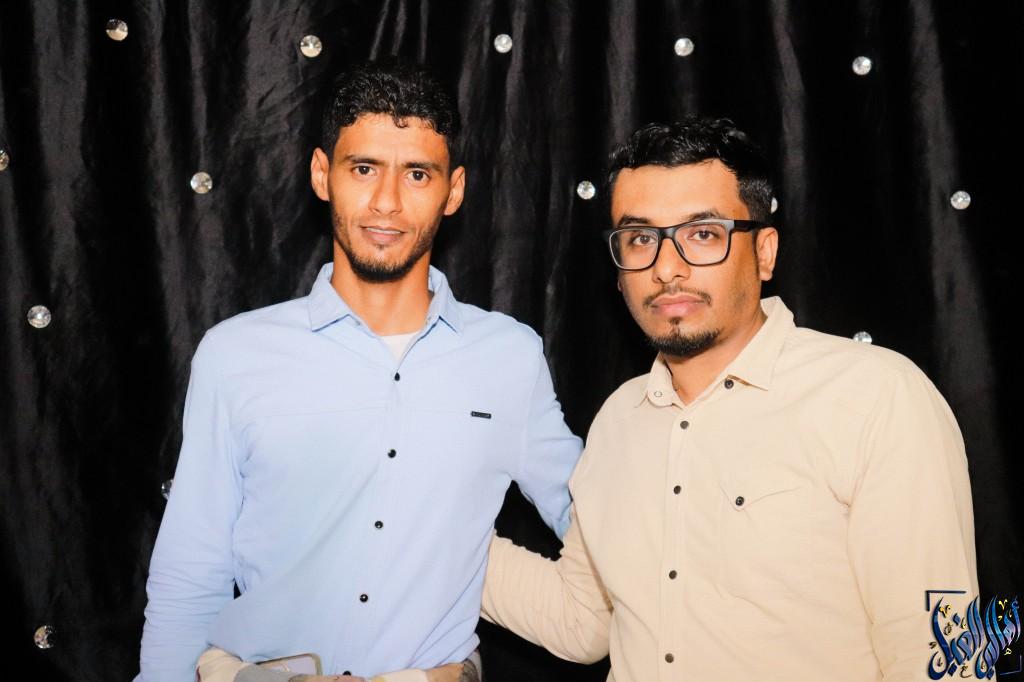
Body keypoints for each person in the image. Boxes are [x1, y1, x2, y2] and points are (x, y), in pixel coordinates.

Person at [481, 118, 980, 680]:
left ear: (764, 252)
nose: (666, 268)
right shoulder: (620, 419)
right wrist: (424, 530)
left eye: (703, 234)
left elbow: (947, 657)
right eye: (640, 239)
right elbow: (583, 622)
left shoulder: (875, 396)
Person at [136, 60, 582, 681]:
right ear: (323, 175)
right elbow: (191, 572)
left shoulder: (509, 356)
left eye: (417, 174)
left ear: (453, 191)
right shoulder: (235, 354)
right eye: (364, 168)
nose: (387, 202)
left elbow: (597, 520)